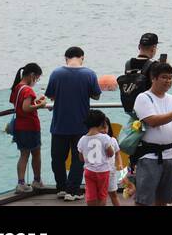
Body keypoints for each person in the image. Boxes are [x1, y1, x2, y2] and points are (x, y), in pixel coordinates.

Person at [43, 46, 103, 201]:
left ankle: (61, 188)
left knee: (57, 158)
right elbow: (96, 95)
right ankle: (73, 190)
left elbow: (50, 95)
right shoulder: (89, 74)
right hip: (81, 125)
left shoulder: (56, 73)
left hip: (59, 124)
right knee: (79, 158)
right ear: (82, 57)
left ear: (66, 58)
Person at [133, 60, 172, 207]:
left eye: (170, 77)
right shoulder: (143, 98)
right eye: (164, 77)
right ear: (154, 78)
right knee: (143, 200)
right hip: (149, 156)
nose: (168, 81)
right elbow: (152, 121)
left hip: (171, 155)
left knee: (163, 200)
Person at [8, 63, 46, 193]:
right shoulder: (28, 90)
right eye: (37, 78)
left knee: (23, 154)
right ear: (32, 75)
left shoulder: (17, 87)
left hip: (19, 126)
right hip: (30, 126)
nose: (36, 81)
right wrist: (40, 106)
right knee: (36, 153)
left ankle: (21, 182)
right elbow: (26, 108)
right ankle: (37, 180)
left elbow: (19, 106)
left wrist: (34, 102)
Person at [77, 109, 118, 207]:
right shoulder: (105, 138)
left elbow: (81, 158)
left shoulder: (82, 139)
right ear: (101, 123)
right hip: (103, 172)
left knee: (91, 195)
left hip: (89, 171)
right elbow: (111, 153)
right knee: (102, 195)